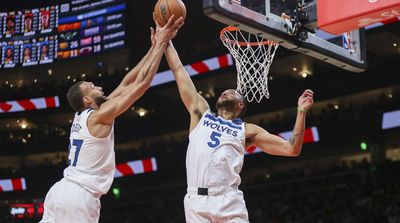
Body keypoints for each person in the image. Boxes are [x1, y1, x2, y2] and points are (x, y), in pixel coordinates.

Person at [39, 16, 184, 223]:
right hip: (78, 196)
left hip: (60, 191)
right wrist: (162, 42)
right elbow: (142, 83)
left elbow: (128, 81)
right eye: (91, 86)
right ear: (87, 99)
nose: (96, 85)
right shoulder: (99, 116)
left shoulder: (86, 115)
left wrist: (153, 48)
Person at [165, 42, 314, 223]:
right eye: (224, 92)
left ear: (240, 105)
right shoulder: (200, 113)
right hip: (197, 201)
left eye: (231, 92)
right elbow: (178, 70)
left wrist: (301, 112)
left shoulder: (246, 130)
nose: (225, 93)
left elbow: (292, 149)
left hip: (229, 200)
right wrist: (167, 41)